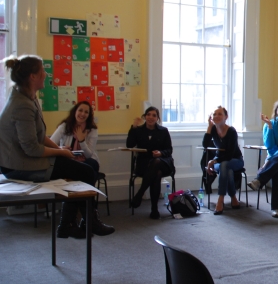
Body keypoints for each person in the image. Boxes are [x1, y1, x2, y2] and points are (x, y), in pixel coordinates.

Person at [0, 55, 114, 238]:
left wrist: (60, 151)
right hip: (18, 166)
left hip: (23, 160)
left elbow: (39, 137)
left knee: (82, 170)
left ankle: (69, 224)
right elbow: (32, 148)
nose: (46, 74)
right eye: (43, 71)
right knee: (85, 172)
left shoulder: (28, 98)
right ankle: (82, 223)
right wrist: (60, 153)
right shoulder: (22, 105)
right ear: (33, 76)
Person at [127, 106, 175, 219]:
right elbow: (129, 145)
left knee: (157, 162)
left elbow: (169, 150)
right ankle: (154, 209)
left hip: (163, 162)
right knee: (156, 173)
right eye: (148, 114)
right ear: (145, 116)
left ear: (157, 118)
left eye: (154, 115)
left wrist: (160, 153)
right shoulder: (138, 130)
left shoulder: (163, 131)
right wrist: (133, 127)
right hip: (144, 164)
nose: (151, 117)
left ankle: (140, 193)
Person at [204, 106, 244, 215]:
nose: (216, 116)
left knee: (225, 165)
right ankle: (233, 197)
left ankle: (220, 199)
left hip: (236, 160)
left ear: (226, 117)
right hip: (221, 162)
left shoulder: (231, 131)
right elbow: (205, 145)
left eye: (220, 114)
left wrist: (214, 161)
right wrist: (209, 127)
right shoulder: (213, 129)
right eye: (214, 114)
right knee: (226, 169)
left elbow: (229, 155)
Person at [50, 101, 100, 178]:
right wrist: (61, 149)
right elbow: (50, 144)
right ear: (75, 111)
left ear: (89, 115)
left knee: (89, 166)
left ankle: (80, 184)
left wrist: (81, 140)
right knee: (61, 165)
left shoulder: (92, 130)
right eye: (80, 110)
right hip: (68, 159)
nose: (82, 114)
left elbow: (88, 155)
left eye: (86, 112)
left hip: (87, 160)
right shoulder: (64, 126)